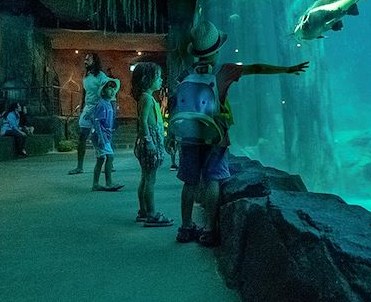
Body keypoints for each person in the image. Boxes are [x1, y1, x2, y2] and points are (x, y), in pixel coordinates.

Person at [172, 21, 309, 246]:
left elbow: (178, 104)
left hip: (188, 137)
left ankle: (185, 227)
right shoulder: (224, 72)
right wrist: (285, 69)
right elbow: (256, 68)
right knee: (213, 179)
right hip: (215, 137)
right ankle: (208, 228)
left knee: (189, 182)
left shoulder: (184, 76)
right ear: (216, 51)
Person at [131, 62, 174, 227]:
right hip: (150, 143)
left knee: (145, 177)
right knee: (150, 179)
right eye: (158, 77)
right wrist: (149, 141)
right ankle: (152, 214)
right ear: (146, 79)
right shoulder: (147, 99)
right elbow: (142, 121)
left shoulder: (145, 97)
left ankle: (143, 211)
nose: (161, 80)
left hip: (148, 142)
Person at [68, 53, 109, 175]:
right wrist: (82, 108)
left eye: (88, 59)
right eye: (84, 59)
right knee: (82, 136)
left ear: (94, 61)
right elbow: (85, 94)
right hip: (88, 107)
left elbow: (108, 92)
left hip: (99, 108)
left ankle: (107, 163)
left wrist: (107, 110)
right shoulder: (86, 76)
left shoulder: (102, 76)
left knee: (102, 137)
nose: (85, 61)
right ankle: (79, 166)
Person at [90, 77, 123, 192]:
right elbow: (97, 122)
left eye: (114, 89)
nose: (112, 91)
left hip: (106, 135)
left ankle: (96, 184)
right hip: (101, 136)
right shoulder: (102, 104)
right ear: (103, 91)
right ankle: (108, 182)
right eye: (109, 89)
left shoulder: (108, 104)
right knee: (110, 156)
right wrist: (101, 137)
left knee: (100, 159)